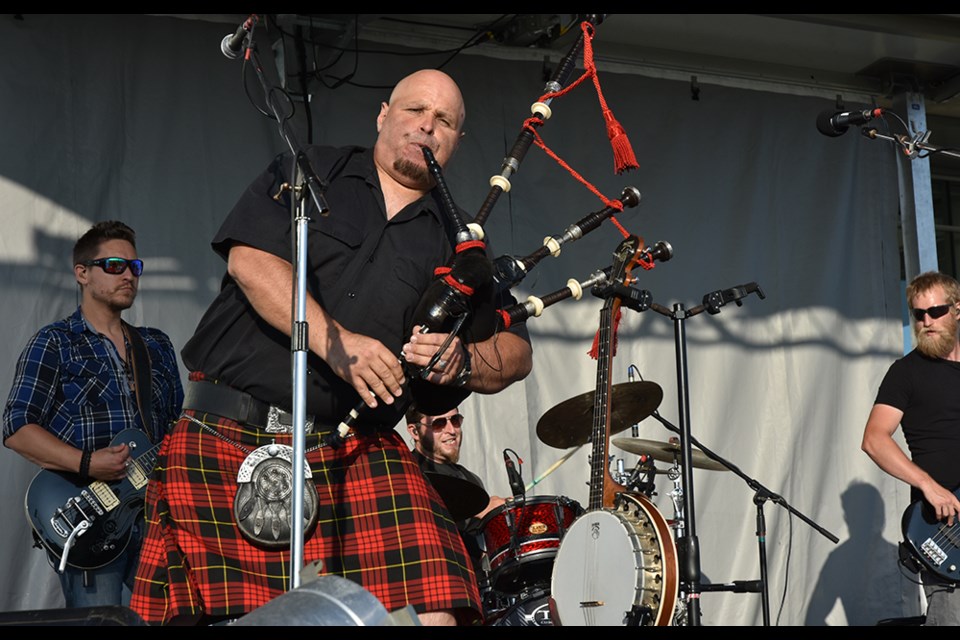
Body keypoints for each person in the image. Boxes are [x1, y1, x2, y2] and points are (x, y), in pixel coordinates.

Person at [130, 68, 533, 626]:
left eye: (444, 121)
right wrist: (336, 342)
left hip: (355, 448)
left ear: (457, 142)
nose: (427, 126)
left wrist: (463, 361)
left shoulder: (461, 240)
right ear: (383, 115)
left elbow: (515, 351)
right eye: (415, 110)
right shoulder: (312, 171)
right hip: (227, 428)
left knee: (442, 597)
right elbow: (249, 259)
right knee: (203, 615)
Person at [2, 220, 184, 609]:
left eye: (135, 267)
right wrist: (87, 463)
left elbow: (175, 429)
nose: (129, 276)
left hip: (155, 514)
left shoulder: (155, 345)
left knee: (174, 615)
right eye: (115, 265)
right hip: (91, 515)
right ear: (82, 273)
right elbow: (16, 426)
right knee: (99, 622)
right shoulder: (54, 342)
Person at [861, 270, 960, 626]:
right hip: (947, 529)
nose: (927, 322)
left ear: (958, 309)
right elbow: (874, 439)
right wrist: (929, 486)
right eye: (918, 315)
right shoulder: (906, 373)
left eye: (935, 312)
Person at [405, 405, 506, 577]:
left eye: (456, 420)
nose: (452, 430)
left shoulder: (470, 479)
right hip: (434, 581)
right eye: (439, 424)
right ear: (415, 432)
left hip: (474, 585)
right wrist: (481, 509)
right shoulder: (408, 474)